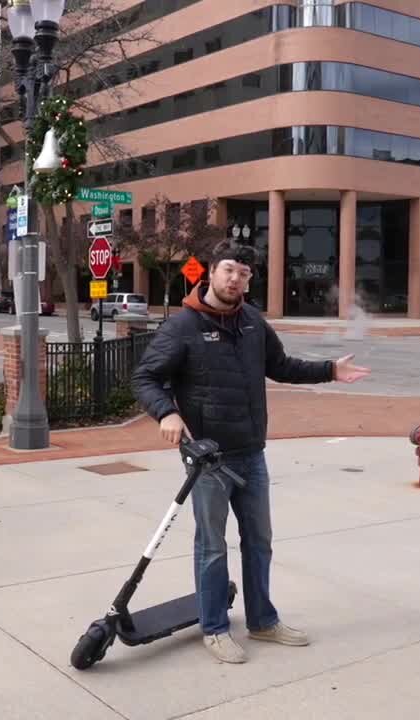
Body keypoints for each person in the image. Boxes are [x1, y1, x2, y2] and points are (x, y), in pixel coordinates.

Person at [131, 241, 370, 664]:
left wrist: (330, 370)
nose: (235, 279)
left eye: (243, 273)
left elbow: (282, 367)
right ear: (210, 271)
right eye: (228, 270)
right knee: (212, 546)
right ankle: (215, 628)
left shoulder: (253, 323)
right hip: (208, 459)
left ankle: (262, 621)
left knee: (259, 541)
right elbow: (146, 377)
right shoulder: (183, 326)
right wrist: (166, 412)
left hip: (251, 453)